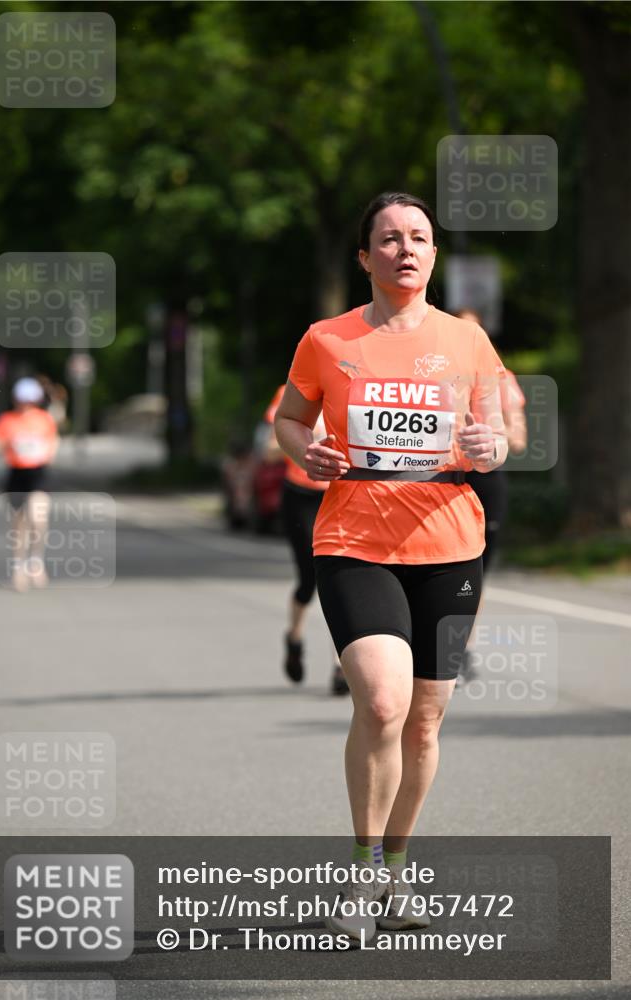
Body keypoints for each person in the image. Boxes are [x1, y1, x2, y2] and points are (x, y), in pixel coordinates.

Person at [275, 192, 508, 942]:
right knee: (380, 702)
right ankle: (362, 867)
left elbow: (495, 434)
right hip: (354, 539)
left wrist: (487, 450)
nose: (405, 248)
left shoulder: (466, 341)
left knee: (424, 723)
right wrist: (299, 448)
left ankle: (399, 868)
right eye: (388, 238)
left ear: (433, 255)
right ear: (364, 257)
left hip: (449, 545)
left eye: (418, 237)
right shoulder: (327, 339)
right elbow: (288, 416)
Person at [455, 309, 527, 683]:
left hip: (488, 479)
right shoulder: (437, 370)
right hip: (446, 479)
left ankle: (463, 644)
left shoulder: (502, 378)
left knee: (477, 571)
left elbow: (518, 437)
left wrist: (499, 435)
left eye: (475, 328)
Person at [264, 385, 348, 696]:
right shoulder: (291, 392)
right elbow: (269, 448)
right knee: (309, 579)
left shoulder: (358, 389)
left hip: (343, 496)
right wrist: (306, 447)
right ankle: (294, 638)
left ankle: (341, 666)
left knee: (340, 580)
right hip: (301, 497)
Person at [0, 377, 59, 591]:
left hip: (38, 473)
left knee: (38, 516)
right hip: (16, 474)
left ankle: (36, 561)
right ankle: (19, 566)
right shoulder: (6, 421)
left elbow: (52, 442)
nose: (25, 404)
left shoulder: (44, 419)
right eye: (21, 400)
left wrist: (48, 452)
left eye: (29, 400)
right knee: (20, 525)